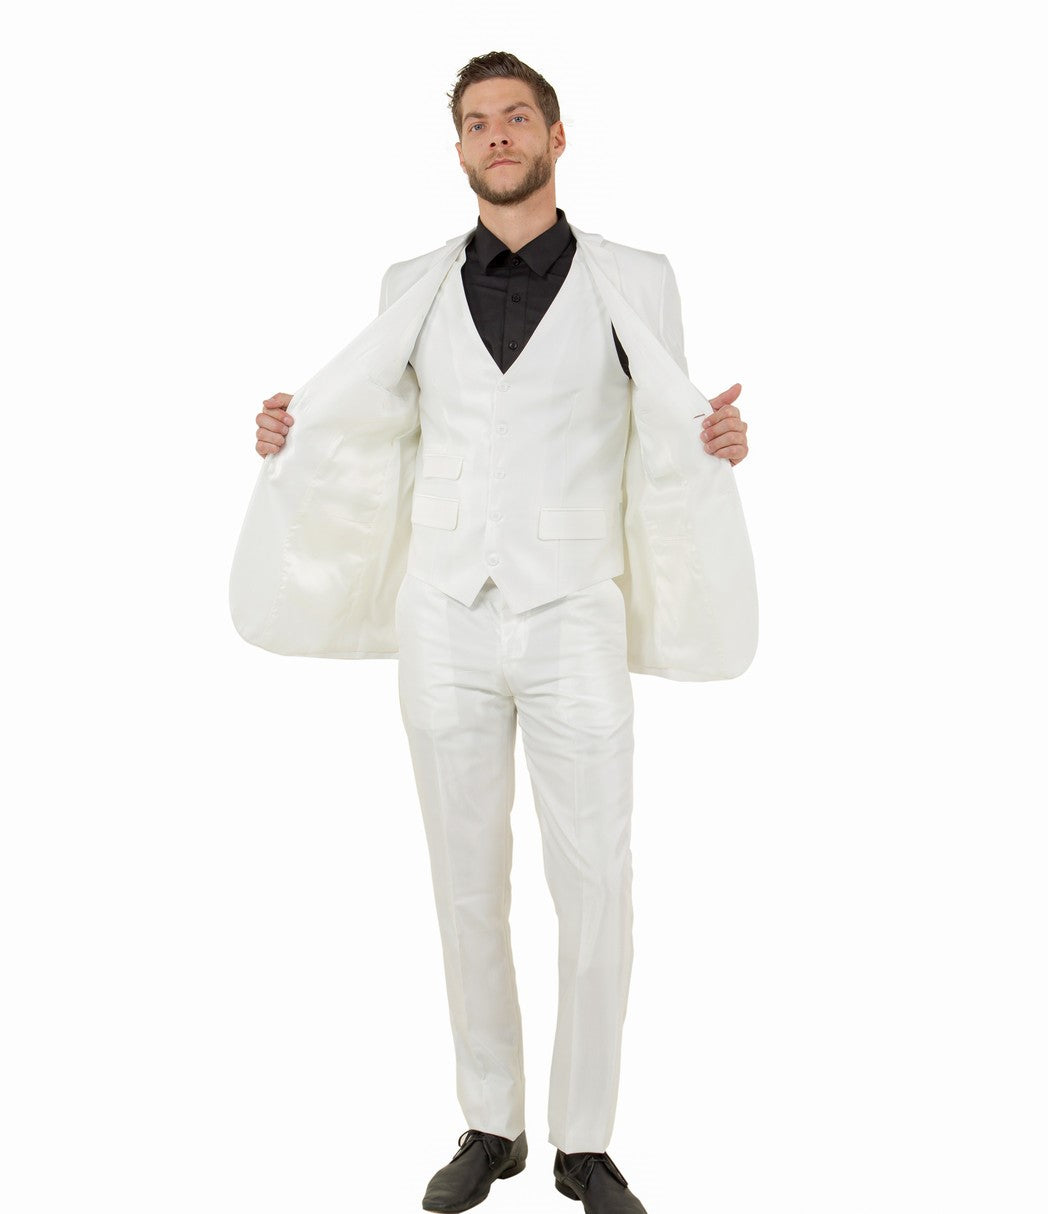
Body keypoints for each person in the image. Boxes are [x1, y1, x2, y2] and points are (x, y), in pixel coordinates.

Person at [242, 50, 754, 1214]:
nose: (498, 136)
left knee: (597, 880)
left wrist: (714, 445)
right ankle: (490, 1123)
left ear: (556, 137)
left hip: (575, 609)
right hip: (445, 615)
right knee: (464, 877)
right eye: (478, 123)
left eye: (517, 117)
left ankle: (586, 1141)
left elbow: (670, 426)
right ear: (461, 148)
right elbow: (373, 426)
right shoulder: (410, 283)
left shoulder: (635, 279)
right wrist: (293, 430)